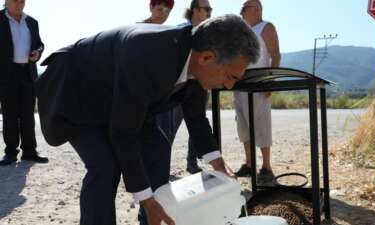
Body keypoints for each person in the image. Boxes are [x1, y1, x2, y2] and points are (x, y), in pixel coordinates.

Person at [35, 15, 259, 225]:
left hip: (122, 99)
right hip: (78, 93)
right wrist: (146, 199)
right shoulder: (149, 55)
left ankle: (155, 219)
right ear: (207, 57)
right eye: (230, 77)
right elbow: (124, 134)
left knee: (158, 148)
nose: (230, 86)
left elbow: (196, 117)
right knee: (105, 164)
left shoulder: (197, 62)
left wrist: (218, 163)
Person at [160, 0, 213, 174]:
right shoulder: (181, 30)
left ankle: (192, 164)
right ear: (195, 10)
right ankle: (161, 168)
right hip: (178, 88)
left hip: (198, 87)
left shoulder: (209, 34)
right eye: (207, 9)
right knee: (169, 129)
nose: (209, 12)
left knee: (196, 125)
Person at [234, 0, 281, 183]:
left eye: (244, 8)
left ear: (257, 10)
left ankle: (266, 166)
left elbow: (275, 55)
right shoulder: (242, 31)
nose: (241, 12)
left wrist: (271, 80)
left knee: (261, 123)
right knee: (243, 124)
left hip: (259, 81)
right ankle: (249, 163)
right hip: (240, 82)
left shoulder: (266, 27)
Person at [0, 0, 47, 166]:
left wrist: (37, 52)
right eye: (15, 0)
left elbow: (40, 44)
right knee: (10, 114)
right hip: (6, 75)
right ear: (6, 1)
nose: (19, 3)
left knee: (28, 114)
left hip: (28, 73)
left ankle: (29, 151)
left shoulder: (32, 22)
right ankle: (10, 153)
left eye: (22, 0)